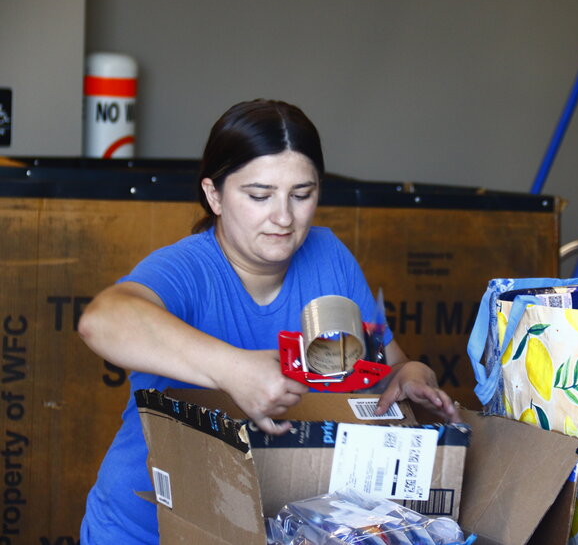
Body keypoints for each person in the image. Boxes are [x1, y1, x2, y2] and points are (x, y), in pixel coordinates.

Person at [78, 99, 460, 544]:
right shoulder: (188, 269)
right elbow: (102, 321)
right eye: (259, 196)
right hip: (149, 527)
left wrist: (412, 378)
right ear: (214, 195)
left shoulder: (329, 257)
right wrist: (235, 371)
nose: (284, 217)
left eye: (302, 195)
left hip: (275, 527)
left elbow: (389, 364)